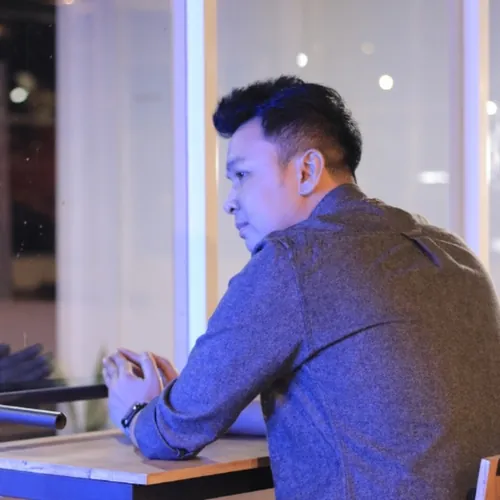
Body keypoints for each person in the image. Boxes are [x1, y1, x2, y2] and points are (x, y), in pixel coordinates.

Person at [102, 76, 500, 500]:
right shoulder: (450, 251)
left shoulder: (294, 261)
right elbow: (380, 418)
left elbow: (168, 435)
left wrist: (136, 411)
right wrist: (206, 403)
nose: (230, 201)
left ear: (307, 170)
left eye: (242, 175)